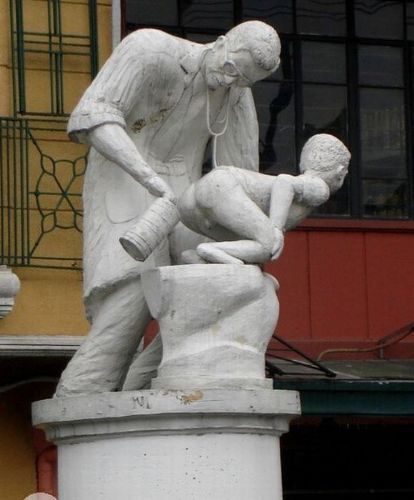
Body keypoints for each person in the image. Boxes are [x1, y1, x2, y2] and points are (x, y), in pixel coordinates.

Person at [54, 21, 281, 397]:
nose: (229, 82)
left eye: (242, 80)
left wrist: (255, 232)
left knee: (218, 279)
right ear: (220, 43)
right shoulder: (150, 50)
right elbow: (93, 116)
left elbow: (242, 173)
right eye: (230, 69)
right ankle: (80, 394)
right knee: (133, 292)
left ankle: (147, 383)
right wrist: (149, 179)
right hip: (124, 173)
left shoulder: (236, 94)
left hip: (184, 191)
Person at [178, 134, 350, 265]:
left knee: (249, 246)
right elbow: (284, 182)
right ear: (340, 172)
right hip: (221, 187)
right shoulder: (319, 187)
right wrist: (275, 228)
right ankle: (208, 250)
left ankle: (199, 257)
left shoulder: (306, 183)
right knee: (268, 245)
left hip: (190, 203)